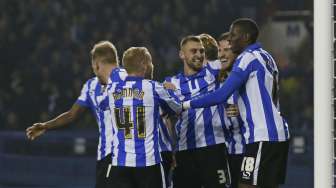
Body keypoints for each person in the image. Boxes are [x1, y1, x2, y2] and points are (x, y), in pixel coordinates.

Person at [183, 18, 290, 188]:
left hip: (262, 135)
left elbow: (221, 95)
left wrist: (185, 104)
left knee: (245, 185)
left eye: (234, 34)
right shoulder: (266, 56)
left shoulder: (246, 58)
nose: (231, 38)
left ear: (246, 37)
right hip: (279, 133)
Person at [26, 41, 127, 188]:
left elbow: (71, 115)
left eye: (93, 66)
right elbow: (72, 114)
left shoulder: (126, 80)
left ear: (97, 64)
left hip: (118, 156)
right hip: (116, 156)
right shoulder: (93, 85)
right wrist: (46, 126)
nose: (94, 70)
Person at [104, 47, 182, 188]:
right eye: (150, 62)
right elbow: (177, 107)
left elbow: (102, 105)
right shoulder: (154, 88)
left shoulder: (112, 90)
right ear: (144, 65)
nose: (152, 65)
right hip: (148, 165)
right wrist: (171, 90)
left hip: (119, 165)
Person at [165, 35, 230, 188]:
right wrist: (170, 148)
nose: (199, 55)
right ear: (182, 54)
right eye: (193, 51)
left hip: (214, 148)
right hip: (185, 151)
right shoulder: (171, 83)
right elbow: (166, 117)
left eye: (201, 51)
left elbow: (233, 59)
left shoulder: (213, 69)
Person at [218, 32, 245, 188]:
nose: (222, 54)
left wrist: (243, 110)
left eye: (227, 50)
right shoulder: (215, 79)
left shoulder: (248, 78)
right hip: (223, 153)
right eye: (220, 50)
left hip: (247, 151)